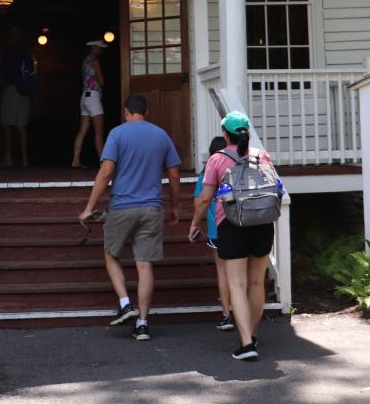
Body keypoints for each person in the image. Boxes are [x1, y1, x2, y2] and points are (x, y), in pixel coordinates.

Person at [78, 93, 181, 342]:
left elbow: (106, 172)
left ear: (126, 111)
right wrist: (175, 206)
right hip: (152, 208)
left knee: (111, 254)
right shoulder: (161, 135)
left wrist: (89, 206)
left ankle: (125, 303)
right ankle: (143, 324)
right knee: (144, 266)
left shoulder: (117, 133)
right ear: (145, 111)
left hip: (122, 206)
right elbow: (175, 174)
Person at [190, 111, 281, 360]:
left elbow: (205, 198)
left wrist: (195, 222)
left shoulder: (217, 159)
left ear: (225, 133)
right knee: (256, 283)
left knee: (237, 285)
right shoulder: (262, 156)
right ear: (247, 132)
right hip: (262, 222)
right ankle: (251, 335)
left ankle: (246, 345)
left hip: (231, 224)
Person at [194, 135, 234, 331]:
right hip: (236, 228)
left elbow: (198, 204)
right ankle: (244, 312)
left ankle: (226, 314)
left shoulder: (203, 178)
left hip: (215, 232)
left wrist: (195, 224)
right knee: (238, 272)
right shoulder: (234, 174)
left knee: (222, 272)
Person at [0, 27, 36, 168]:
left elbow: (3, 73)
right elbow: (32, 73)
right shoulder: (27, 53)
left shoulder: (8, 52)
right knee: (21, 126)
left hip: (12, 89)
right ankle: (25, 160)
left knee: (7, 125)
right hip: (25, 92)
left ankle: (8, 159)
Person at [70, 39, 107, 168]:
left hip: (84, 97)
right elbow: (102, 81)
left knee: (82, 130)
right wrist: (98, 78)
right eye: (100, 48)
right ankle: (103, 163)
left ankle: (75, 161)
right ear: (94, 48)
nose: (101, 50)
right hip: (93, 96)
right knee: (99, 131)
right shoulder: (95, 61)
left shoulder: (85, 61)